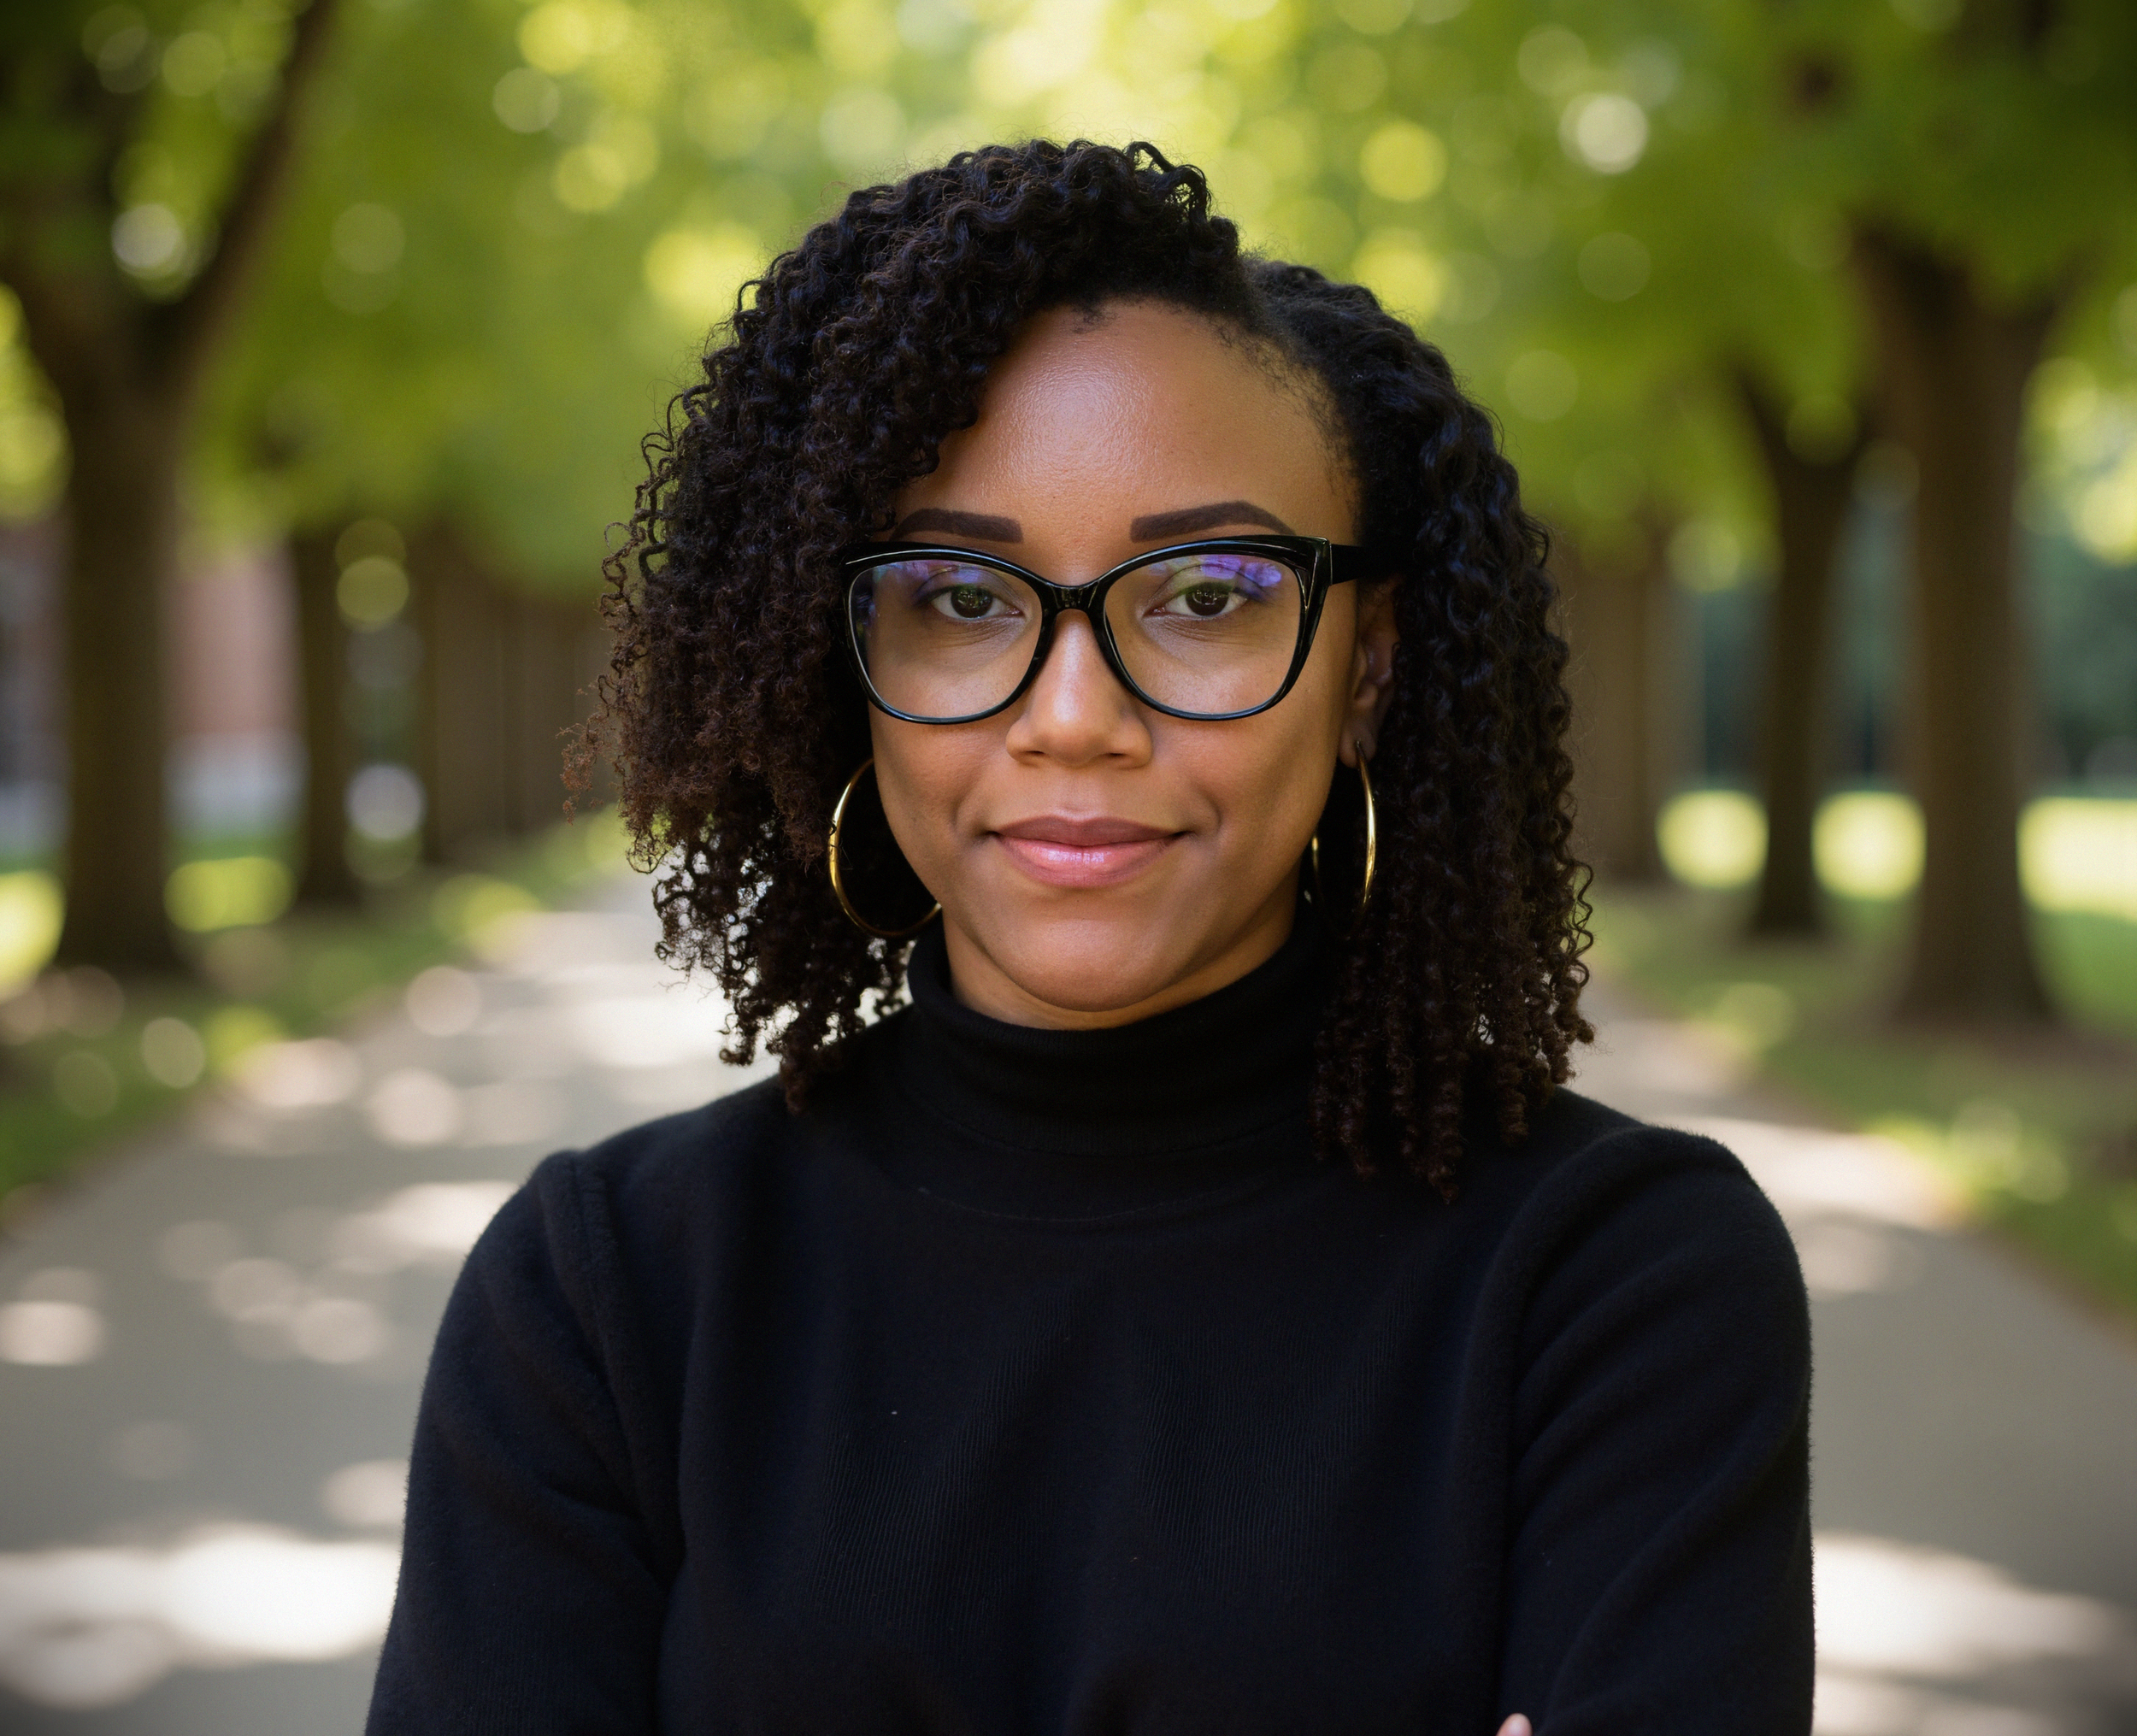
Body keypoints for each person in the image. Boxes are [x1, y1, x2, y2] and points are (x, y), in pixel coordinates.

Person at [367, 141, 1811, 1735]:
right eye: (958, 593)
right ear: (838, 657)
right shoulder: (611, 1297)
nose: (1075, 716)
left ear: (1370, 670)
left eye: (1205, 594)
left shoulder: (1614, 1283)